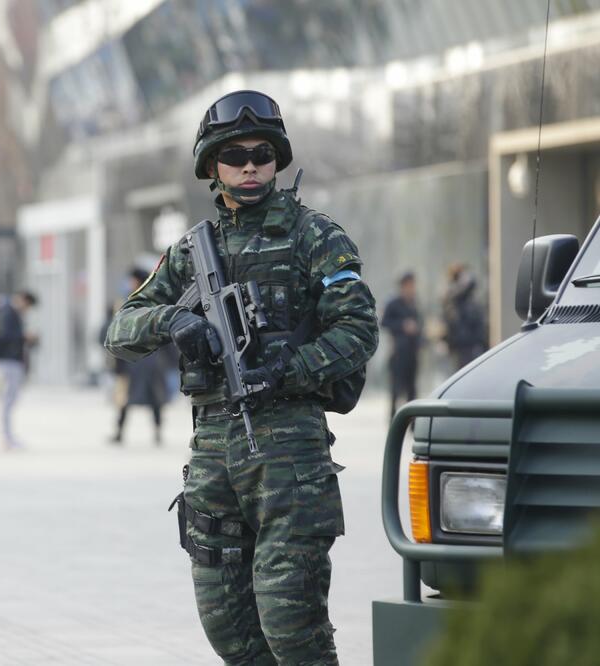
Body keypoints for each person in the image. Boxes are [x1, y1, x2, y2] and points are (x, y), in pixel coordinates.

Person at [105, 90, 378, 665]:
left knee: (291, 627)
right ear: (212, 166)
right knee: (229, 630)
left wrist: (290, 367)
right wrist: (175, 318)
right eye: (235, 156)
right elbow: (121, 330)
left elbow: (358, 329)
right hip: (213, 451)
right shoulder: (191, 252)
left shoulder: (315, 236)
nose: (250, 165)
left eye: (262, 153)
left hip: (290, 452)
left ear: (277, 158)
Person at [107, 269, 171, 446]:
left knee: (153, 397)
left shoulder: (149, 301)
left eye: (132, 280)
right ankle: (120, 432)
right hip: (132, 358)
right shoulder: (127, 301)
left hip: (147, 357)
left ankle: (156, 431)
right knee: (125, 398)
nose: (130, 283)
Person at [0, 290, 37, 451]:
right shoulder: (8, 313)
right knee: (7, 401)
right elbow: (4, 336)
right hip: (7, 362)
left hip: (10, 361)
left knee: (9, 401)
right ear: (23, 300)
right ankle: (6, 438)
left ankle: (8, 436)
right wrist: (23, 337)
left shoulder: (8, 313)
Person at [381, 272, 423, 421]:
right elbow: (384, 322)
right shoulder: (393, 303)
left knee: (412, 388)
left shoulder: (414, 303)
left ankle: (412, 422)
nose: (412, 288)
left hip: (412, 352)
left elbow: (420, 325)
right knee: (396, 388)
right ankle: (393, 420)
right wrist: (402, 325)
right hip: (398, 351)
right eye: (409, 285)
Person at [443, 263, 488, 370]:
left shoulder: (467, 300)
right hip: (463, 347)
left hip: (474, 345)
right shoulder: (454, 297)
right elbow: (470, 284)